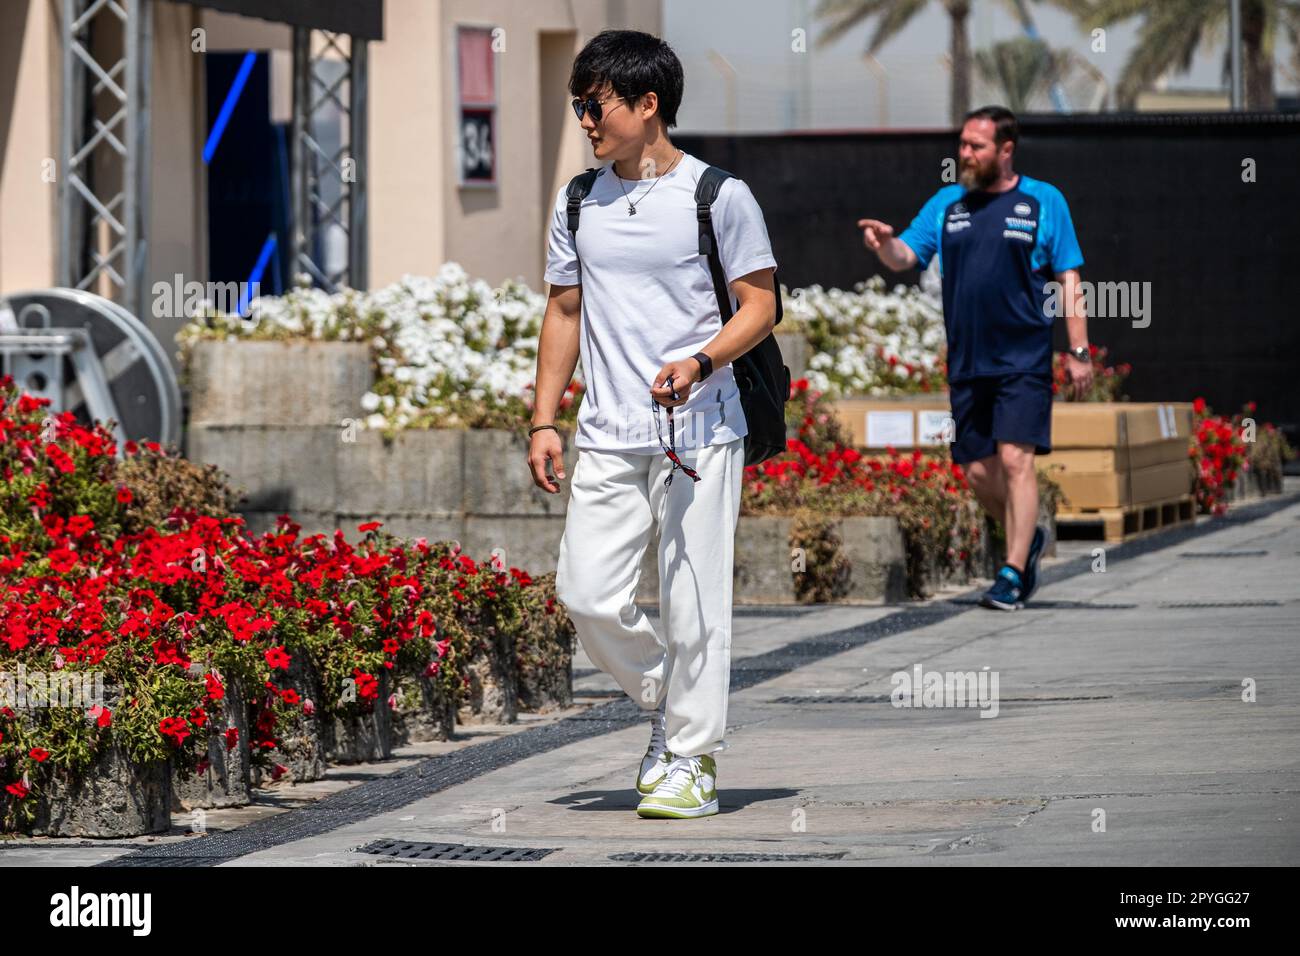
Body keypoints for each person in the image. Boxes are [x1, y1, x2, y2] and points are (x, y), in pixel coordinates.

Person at [528, 30, 779, 817]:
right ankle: (671, 701)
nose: (584, 120)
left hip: (699, 431)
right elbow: (563, 310)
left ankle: (692, 759)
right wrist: (543, 419)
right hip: (606, 432)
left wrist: (701, 363)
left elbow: (761, 305)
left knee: (693, 597)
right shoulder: (579, 200)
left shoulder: (718, 196)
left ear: (647, 104)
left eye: (594, 104)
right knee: (586, 593)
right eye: (578, 104)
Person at [858, 105, 1093, 610]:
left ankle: (1011, 571)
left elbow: (1068, 277)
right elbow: (906, 255)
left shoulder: (1043, 201)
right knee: (978, 471)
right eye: (962, 143)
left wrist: (1078, 351)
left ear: (1005, 150)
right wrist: (884, 245)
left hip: (1023, 359)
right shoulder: (949, 203)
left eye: (976, 146)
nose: (965, 153)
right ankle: (1027, 537)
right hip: (968, 362)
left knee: (1015, 459)